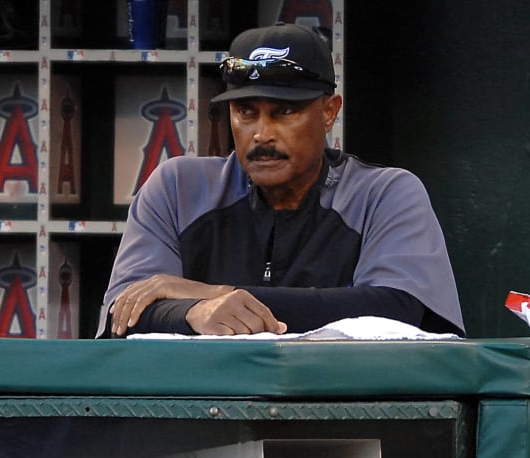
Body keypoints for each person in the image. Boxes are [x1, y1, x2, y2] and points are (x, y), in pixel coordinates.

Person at [96, 22, 465, 338]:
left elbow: (398, 308)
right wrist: (193, 312)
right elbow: (125, 313)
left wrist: (215, 295)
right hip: (206, 409)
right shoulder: (177, 188)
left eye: (284, 111)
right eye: (246, 112)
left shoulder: (384, 194)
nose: (262, 134)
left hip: (343, 410)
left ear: (328, 112)